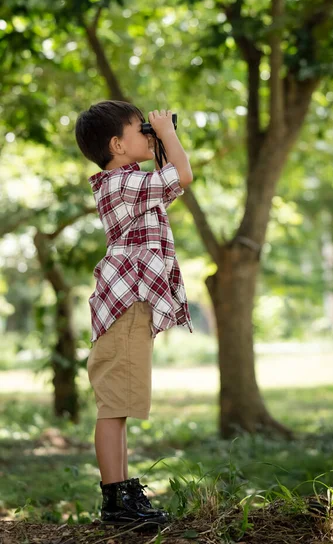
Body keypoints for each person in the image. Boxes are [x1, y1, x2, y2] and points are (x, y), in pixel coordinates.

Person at [75, 101, 194, 528]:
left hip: (130, 305)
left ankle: (122, 494)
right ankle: (115, 502)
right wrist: (167, 133)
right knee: (114, 406)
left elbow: (173, 182)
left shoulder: (132, 182)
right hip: (125, 308)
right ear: (116, 145)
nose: (148, 133)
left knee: (120, 406)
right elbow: (183, 174)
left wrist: (160, 139)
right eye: (139, 128)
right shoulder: (120, 185)